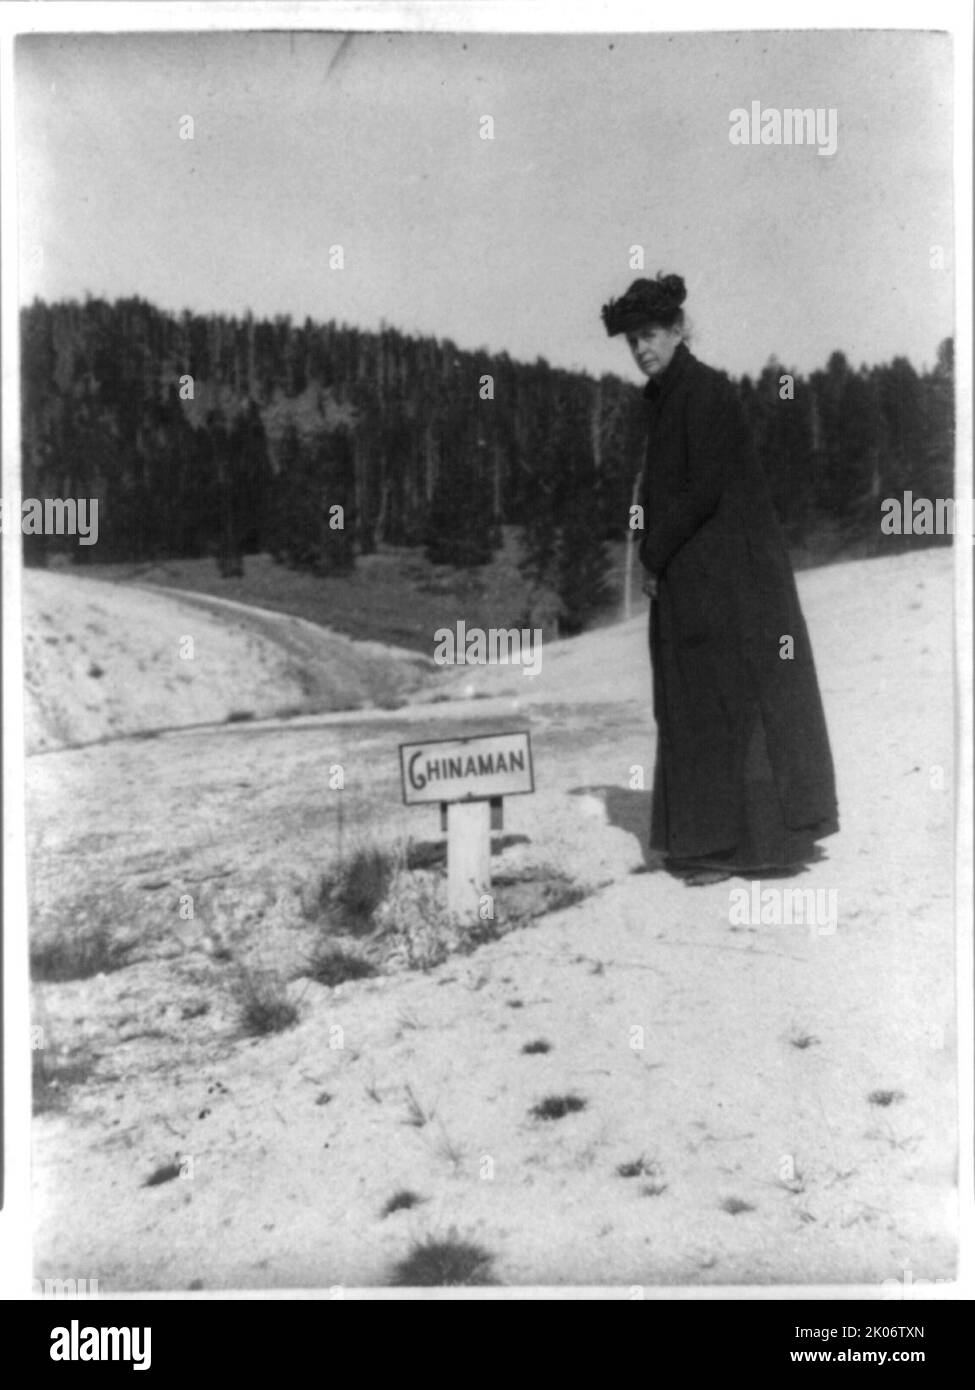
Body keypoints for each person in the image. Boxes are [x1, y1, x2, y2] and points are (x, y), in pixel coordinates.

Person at [601, 273, 839, 886]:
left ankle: (742, 847)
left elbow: (702, 489)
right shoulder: (670, 396)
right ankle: (714, 842)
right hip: (703, 573)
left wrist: (653, 556)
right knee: (699, 702)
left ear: (679, 330)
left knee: (722, 702)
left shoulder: (703, 392)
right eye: (633, 340)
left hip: (731, 579)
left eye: (650, 334)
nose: (642, 349)